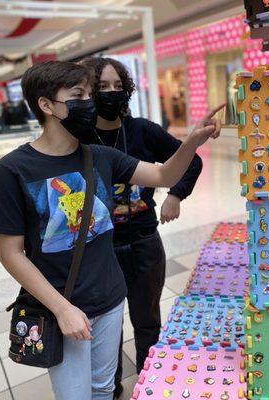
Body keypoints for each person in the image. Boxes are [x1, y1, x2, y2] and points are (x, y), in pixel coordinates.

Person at [0, 60, 222, 400]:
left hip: (110, 297)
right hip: (64, 304)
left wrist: (192, 141)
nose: (89, 103)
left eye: (89, 94)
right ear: (46, 105)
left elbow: (162, 176)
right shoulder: (13, 170)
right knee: (75, 395)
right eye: (78, 95)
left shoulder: (101, 156)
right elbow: (10, 254)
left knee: (103, 388)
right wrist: (62, 308)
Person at [79, 56, 202, 397]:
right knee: (107, 327)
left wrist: (175, 195)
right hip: (100, 251)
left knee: (147, 318)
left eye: (118, 86)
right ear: (87, 92)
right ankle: (111, 387)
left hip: (145, 240)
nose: (111, 93)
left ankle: (150, 381)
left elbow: (189, 160)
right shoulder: (78, 137)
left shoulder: (141, 131)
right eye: (102, 87)